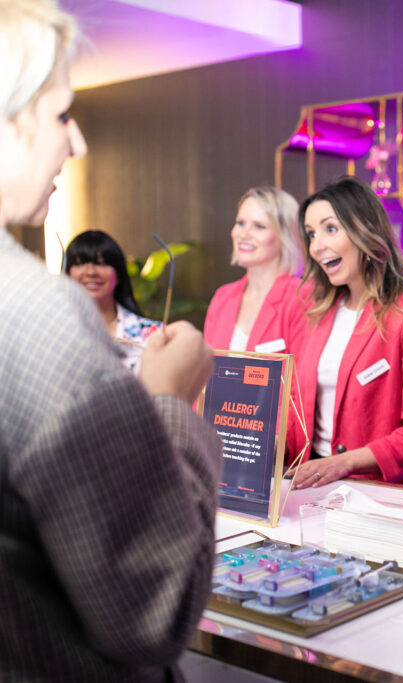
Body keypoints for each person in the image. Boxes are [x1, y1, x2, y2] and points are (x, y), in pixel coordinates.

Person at [0, 1, 222, 680]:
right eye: (63, 114)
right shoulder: (36, 316)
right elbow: (155, 607)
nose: (78, 143)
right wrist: (171, 403)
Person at [287, 177, 403, 488]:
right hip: (315, 485)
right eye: (311, 234)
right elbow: (294, 408)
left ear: (365, 230)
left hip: (381, 494)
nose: (317, 245)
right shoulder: (314, 314)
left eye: (330, 229)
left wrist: (345, 462)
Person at [204, 186, 307, 353]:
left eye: (259, 226)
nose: (244, 234)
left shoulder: (302, 297)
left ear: (285, 236)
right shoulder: (222, 297)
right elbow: (206, 371)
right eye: (240, 223)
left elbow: (302, 376)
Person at [64, 229, 160, 372]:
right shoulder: (53, 334)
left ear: (119, 274)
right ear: (67, 274)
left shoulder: (153, 336)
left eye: (101, 263)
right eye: (80, 263)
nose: (91, 272)